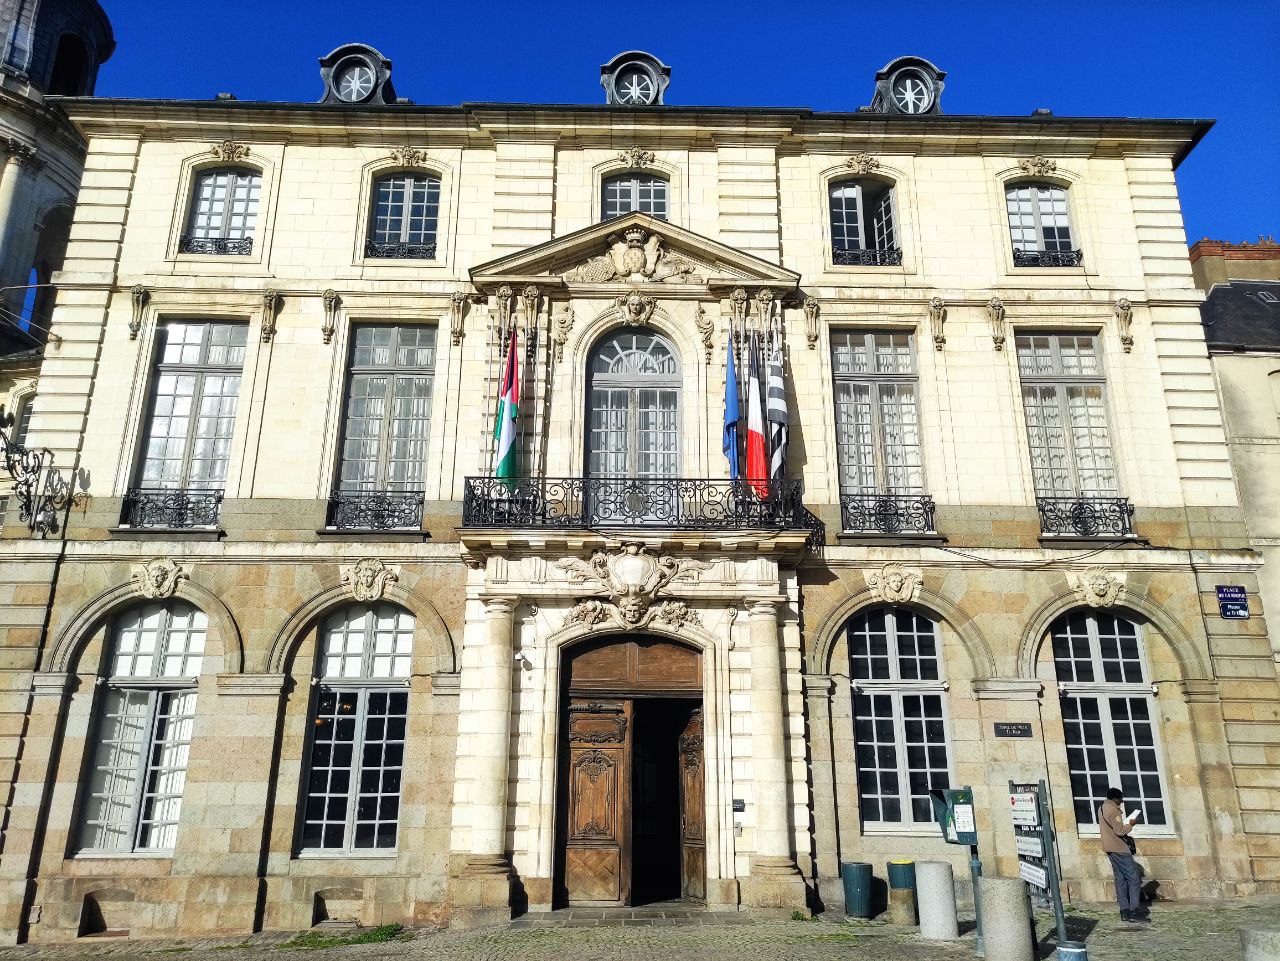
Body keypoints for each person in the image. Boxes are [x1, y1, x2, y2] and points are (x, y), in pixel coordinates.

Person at [1099, 787, 1147, 923]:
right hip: (1119, 848)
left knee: (1120, 880)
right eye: (1120, 799)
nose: (1121, 802)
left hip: (1109, 848)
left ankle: (1124, 911)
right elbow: (1120, 831)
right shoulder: (1114, 810)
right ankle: (1134, 912)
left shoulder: (1101, 808)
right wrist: (1130, 824)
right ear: (1115, 799)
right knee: (1134, 879)